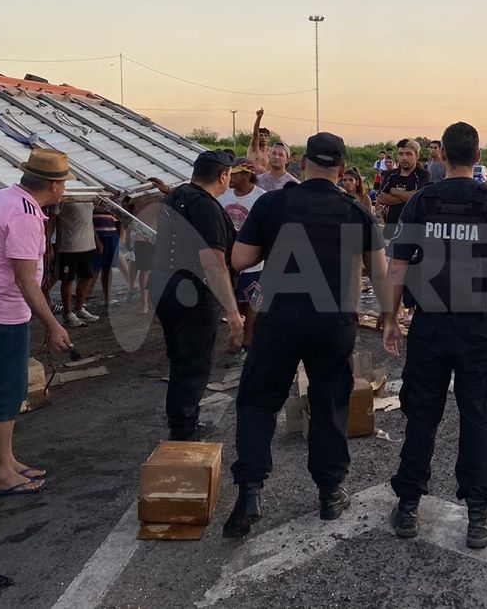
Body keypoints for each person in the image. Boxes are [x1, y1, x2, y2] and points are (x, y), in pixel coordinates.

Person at [222, 132, 390, 538]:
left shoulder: (273, 203)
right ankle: (330, 493)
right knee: (330, 400)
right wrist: (390, 320)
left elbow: (240, 258)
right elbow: (380, 273)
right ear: (343, 170)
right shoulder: (356, 213)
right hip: (334, 322)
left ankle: (249, 491)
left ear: (301, 164)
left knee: (259, 400)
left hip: (280, 318)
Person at [384, 121, 487, 550]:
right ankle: (479, 517)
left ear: (441, 155)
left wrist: (390, 319)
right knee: (478, 416)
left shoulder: (422, 201)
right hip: (480, 328)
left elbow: (398, 267)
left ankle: (408, 505)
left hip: (431, 324)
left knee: (422, 415)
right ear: (478, 156)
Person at [0, 148, 73, 495]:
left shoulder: (0, 197)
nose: (65, 190)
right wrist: (53, 325)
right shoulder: (25, 215)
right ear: (54, 187)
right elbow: (26, 280)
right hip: (0, 315)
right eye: (64, 184)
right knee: (6, 393)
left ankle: (8, 462)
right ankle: (0, 473)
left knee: (6, 388)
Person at [150, 150, 242, 441]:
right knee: (194, 362)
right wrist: (232, 310)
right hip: (190, 291)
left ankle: (182, 420)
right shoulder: (207, 207)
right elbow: (213, 264)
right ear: (223, 176)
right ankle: (183, 431)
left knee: (180, 358)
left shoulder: (176, 196)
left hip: (164, 285)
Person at [218, 159, 267, 366]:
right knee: (232, 302)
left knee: (253, 304)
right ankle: (235, 337)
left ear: (247, 175)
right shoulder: (222, 197)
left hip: (254, 263)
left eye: (236, 174)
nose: (231, 178)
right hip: (228, 261)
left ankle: (248, 340)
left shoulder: (261, 199)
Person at [55, 199, 100, 327]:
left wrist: (96, 240)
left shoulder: (88, 196)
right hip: (69, 246)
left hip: (87, 245)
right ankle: (68, 314)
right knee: (68, 280)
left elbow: (89, 221)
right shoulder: (64, 198)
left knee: (87, 277)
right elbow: (53, 219)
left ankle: (79, 309)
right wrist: (49, 243)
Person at [377, 138, 431, 240]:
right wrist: (410, 196)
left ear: (417, 156)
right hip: (391, 227)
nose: (404, 158)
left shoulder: (422, 175)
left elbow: (419, 197)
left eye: (408, 154)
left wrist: (394, 191)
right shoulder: (390, 175)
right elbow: (381, 198)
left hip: (414, 227)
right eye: (401, 154)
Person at [91, 207, 121, 307]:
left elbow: (119, 215)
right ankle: (85, 295)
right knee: (95, 267)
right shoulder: (97, 198)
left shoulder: (114, 197)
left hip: (112, 233)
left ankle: (107, 297)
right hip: (97, 233)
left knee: (108, 267)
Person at [247, 109, 271, 175]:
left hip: (265, 180)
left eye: (266, 136)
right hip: (253, 179)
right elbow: (255, 134)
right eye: (261, 135)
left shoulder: (270, 151)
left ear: (268, 139)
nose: (263, 137)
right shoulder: (254, 148)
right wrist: (258, 118)